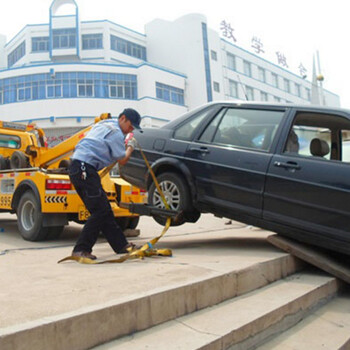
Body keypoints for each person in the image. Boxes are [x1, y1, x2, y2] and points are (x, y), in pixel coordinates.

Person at [69, 108, 141, 260]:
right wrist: (130, 147)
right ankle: (81, 249)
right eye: (130, 126)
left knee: (105, 211)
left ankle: (121, 246)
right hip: (84, 168)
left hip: (81, 168)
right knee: (100, 211)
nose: (131, 129)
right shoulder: (115, 133)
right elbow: (122, 159)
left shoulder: (105, 123)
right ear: (122, 118)